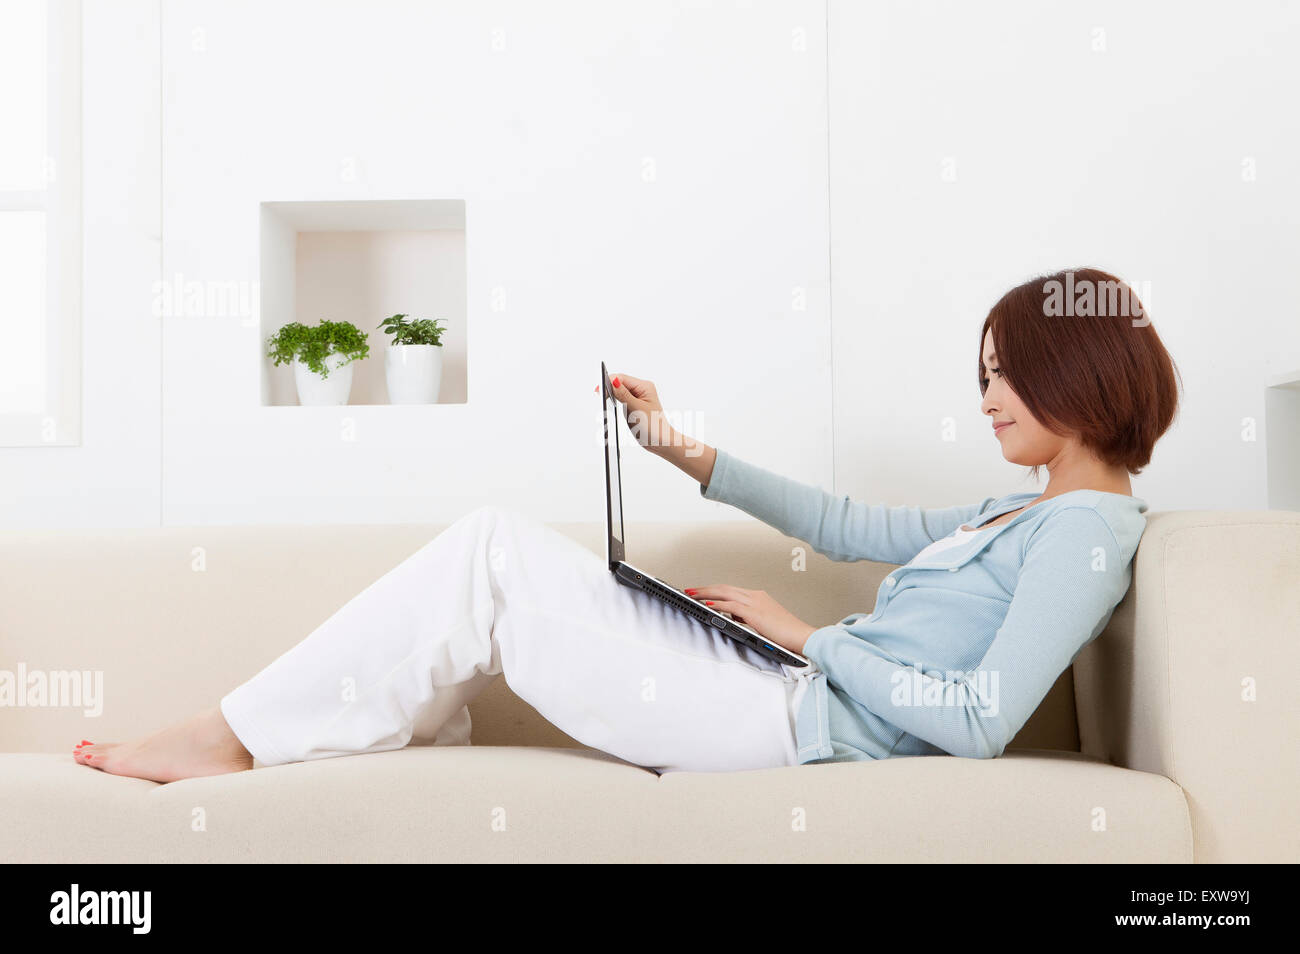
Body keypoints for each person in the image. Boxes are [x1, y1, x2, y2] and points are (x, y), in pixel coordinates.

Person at [73, 266, 1180, 780]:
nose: (984, 400)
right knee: (490, 553)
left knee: (490, 560)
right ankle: (312, 732)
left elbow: (982, 721)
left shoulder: (1084, 536)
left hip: (791, 722)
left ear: (1075, 373)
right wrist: (680, 449)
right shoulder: (1016, 507)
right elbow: (847, 522)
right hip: (780, 687)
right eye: (982, 375)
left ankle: (232, 736)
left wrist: (808, 639)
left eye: (1003, 378)